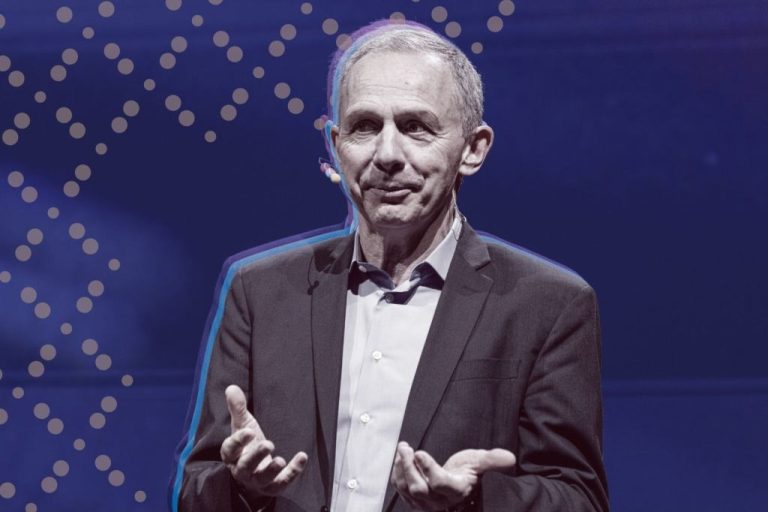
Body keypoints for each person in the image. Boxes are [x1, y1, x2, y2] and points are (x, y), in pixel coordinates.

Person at [170, 20, 608, 512]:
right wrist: (243, 488)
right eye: (365, 127)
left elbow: (579, 499)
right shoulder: (259, 291)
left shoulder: (547, 304)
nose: (387, 154)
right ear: (336, 145)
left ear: (473, 149)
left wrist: (474, 499)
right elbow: (196, 493)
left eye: (416, 127)